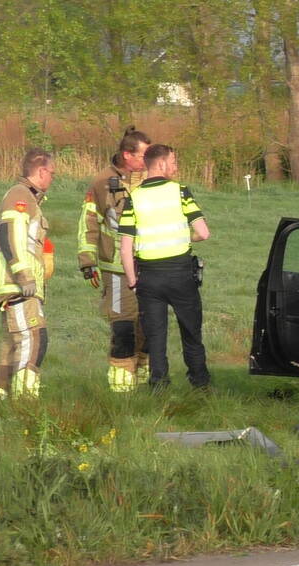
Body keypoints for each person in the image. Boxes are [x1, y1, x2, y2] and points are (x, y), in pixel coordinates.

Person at [118, 144, 211, 389]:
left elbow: (125, 248)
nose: (176, 166)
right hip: (181, 274)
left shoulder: (134, 197)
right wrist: (183, 237)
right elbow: (203, 232)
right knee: (191, 333)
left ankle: (158, 386)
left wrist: (132, 281)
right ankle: (200, 384)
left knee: (156, 337)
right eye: (173, 161)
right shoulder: (180, 191)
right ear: (160, 164)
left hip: (149, 277)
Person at [77, 127, 151, 392]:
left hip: (149, 266)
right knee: (123, 325)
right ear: (126, 155)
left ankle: (144, 380)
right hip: (117, 268)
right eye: (143, 156)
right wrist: (87, 260)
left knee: (148, 325)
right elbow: (89, 222)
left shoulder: (150, 179)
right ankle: (121, 387)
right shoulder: (102, 182)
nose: (146, 161)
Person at [0, 148, 56, 399]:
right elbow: (11, 236)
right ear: (41, 171)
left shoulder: (26, 197)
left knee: (12, 342)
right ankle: (25, 399)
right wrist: (23, 276)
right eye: (51, 173)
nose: (52, 178)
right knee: (34, 339)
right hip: (18, 286)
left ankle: (2, 396)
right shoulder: (20, 196)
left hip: (15, 286)